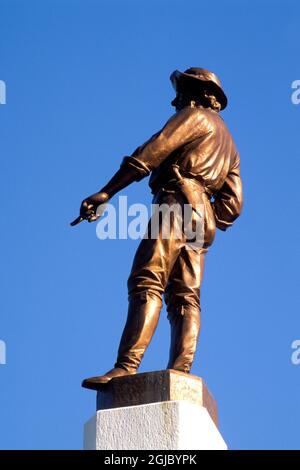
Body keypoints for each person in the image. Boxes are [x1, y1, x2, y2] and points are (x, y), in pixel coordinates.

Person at [71, 68, 243, 389]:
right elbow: (233, 205)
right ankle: (181, 372)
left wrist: (107, 191)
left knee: (147, 280)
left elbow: (153, 151)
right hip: (202, 216)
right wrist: (204, 211)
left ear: (196, 93)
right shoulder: (229, 143)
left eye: (180, 92)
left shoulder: (194, 117)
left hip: (176, 200)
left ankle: (125, 366)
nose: (174, 99)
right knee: (185, 297)